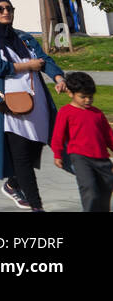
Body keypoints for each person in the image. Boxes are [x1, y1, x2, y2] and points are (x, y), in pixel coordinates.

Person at [0, 0, 66, 211]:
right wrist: (26, 66)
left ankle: (13, 183)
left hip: (36, 104)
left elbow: (44, 60)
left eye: (10, 8)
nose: (6, 12)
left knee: (38, 142)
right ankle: (37, 207)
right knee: (22, 155)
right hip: (7, 106)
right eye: (0, 9)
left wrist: (59, 77)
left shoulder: (24, 37)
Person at [50, 71, 113, 212]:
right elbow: (58, 135)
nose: (87, 100)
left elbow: (108, 135)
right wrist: (58, 154)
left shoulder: (97, 113)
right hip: (80, 157)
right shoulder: (65, 112)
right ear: (70, 93)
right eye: (83, 97)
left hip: (102, 158)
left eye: (90, 97)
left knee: (107, 186)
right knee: (89, 187)